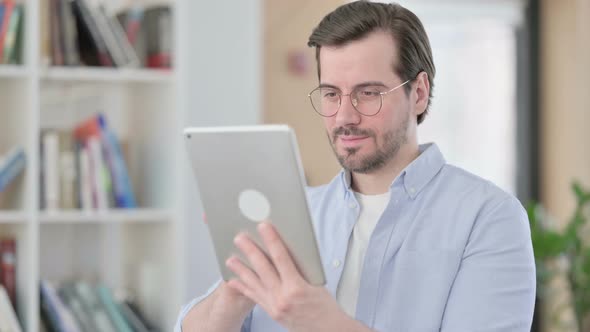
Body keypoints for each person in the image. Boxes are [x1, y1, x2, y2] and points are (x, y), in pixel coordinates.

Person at [176, 1, 536, 331]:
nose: (344, 116)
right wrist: (235, 292)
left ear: (420, 92)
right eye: (331, 93)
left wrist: (321, 321)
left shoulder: (490, 220)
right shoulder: (295, 215)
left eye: (369, 93)